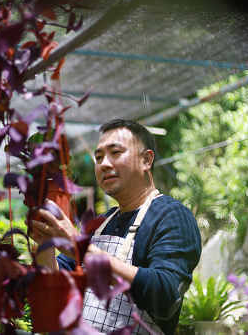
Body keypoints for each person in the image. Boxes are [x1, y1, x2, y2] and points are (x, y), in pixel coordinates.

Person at [27, 119, 202, 335]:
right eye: (98, 157)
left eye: (115, 153)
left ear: (146, 160)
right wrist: (46, 244)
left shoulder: (172, 216)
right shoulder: (100, 225)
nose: (104, 164)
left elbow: (166, 297)